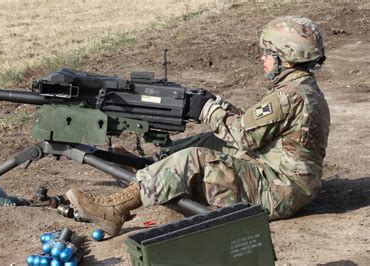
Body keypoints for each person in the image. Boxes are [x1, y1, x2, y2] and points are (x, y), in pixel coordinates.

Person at [66, 16, 330, 236]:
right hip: (286, 182)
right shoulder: (300, 89)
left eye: (268, 53)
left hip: (278, 192)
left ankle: (115, 210)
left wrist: (207, 110)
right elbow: (255, 128)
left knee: (194, 159)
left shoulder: (287, 96)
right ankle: (152, 170)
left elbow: (246, 137)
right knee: (212, 141)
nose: (263, 58)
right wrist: (218, 105)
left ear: (285, 57)